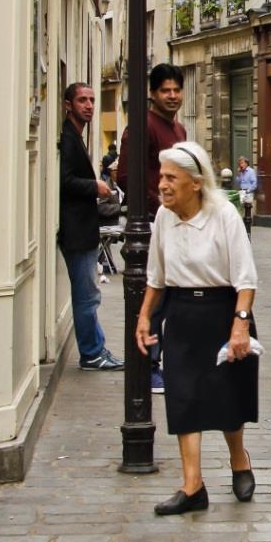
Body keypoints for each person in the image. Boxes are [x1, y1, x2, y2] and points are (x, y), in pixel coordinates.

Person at [136, 141, 259, 516]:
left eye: (172, 178)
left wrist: (240, 326)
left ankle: (239, 459)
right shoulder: (163, 217)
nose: (163, 185)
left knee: (226, 397)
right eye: (162, 177)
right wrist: (144, 317)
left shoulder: (224, 215)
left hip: (225, 310)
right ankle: (193, 487)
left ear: (195, 182)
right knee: (184, 396)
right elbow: (156, 276)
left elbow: (245, 278)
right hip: (183, 312)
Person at [118, 63, 187, 394]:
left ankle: (165, 361)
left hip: (176, 225)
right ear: (153, 93)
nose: (172, 96)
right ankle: (149, 365)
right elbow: (126, 176)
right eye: (165, 90)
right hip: (150, 225)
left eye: (176, 90)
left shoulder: (179, 131)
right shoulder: (142, 127)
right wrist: (155, 207)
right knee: (155, 296)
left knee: (172, 295)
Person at [58, 83, 124, 371]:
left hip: (83, 228)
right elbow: (66, 181)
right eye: (82, 100)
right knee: (87, 295)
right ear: (67, 104)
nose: (89, 105)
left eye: (92, 100)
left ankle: (97, 349)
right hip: (76, 229)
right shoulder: (68, 138)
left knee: (90, 294)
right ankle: (91, 354)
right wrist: (96, 186)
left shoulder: (77, 136)